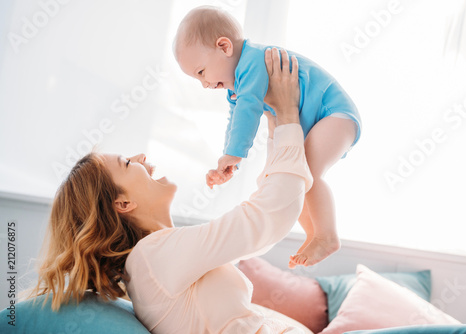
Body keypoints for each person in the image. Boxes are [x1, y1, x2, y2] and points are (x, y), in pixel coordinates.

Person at [26, 48, 314, 333]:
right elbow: (266, 219)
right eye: (127, 162)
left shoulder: (153, 260)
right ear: (122, 203)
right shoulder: (152, 257)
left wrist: (277, 124)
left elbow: (257, 230)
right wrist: (288, 115)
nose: (139, 156)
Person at [174, 5, 362, 268]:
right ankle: (314, 234)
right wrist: (230, 157)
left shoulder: (252, 63)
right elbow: (237, 115)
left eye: (201, 72)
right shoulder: (238, 81)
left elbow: (248, 110)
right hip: (323, 119)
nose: (204, 84)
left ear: (224, 47)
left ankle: (327, 235)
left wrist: (234, 153)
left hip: (334, 114)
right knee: (297, 177)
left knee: (306, 173)